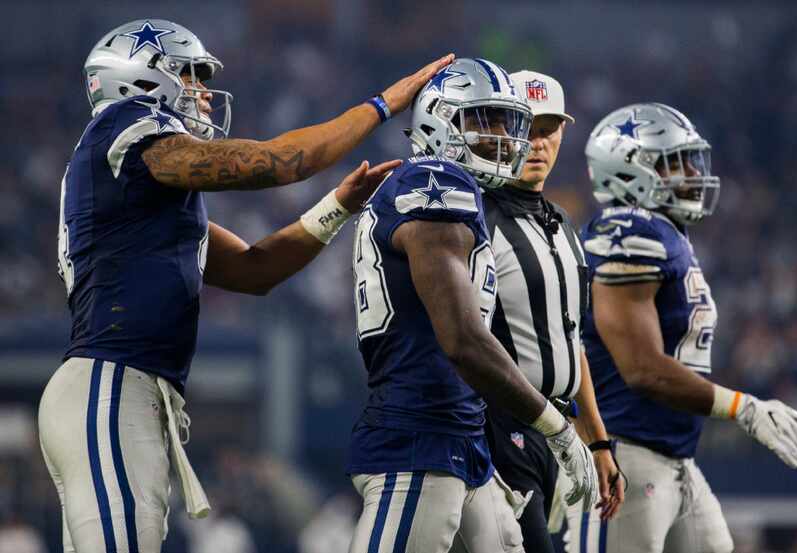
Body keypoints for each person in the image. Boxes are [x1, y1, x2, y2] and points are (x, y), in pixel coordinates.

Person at [39, 17, 451, 553]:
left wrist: (337, 208)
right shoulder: (128, 126)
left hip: (117, 390)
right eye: (191, 76)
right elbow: (282, 161)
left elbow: (255, 270)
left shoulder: (136, 192)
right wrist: (381, 106)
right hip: (110, 386)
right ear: (140, 81)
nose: (204, 94)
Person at [347, 57, 598, 553]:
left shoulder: (451, 190)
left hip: (460, 439)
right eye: (485, 120)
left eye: (507, 121)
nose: (503, 136)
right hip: (421, 435)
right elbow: (463, 340)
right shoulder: (438, 184)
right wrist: (556, 428)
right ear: (439, 120)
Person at [566, 103, 797, 553]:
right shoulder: (625, 231)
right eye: (674, 162)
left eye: (690, 160)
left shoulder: (666, 233)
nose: (690, 173)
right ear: (628, 170)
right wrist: (742, 407)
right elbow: (642, 369)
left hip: (675, 455)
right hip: (622, 454)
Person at [462, 70, 624, 553]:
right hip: (497, 426)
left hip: (557, 435)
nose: (536, 143)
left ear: (564, 134)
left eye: (547, 130)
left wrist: (597, 441)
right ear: (499, 129)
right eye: (524, 128)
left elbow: (570, 342)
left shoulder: (562, 224)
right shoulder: (474, 217)